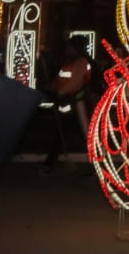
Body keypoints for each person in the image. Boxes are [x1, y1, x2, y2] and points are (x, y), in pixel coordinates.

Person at [41, 39, 93, 173]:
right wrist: (51, 88)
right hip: (69, 103)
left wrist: (57, 92)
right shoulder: (69, 62)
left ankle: (96, 165)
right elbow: (60, 80)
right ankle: (48, 164)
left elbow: (74, 83)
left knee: (84, 134)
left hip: (78, 104)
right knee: (63, 133)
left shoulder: (80, 62)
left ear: (76, 49)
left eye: (70, 47)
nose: (67, 50)